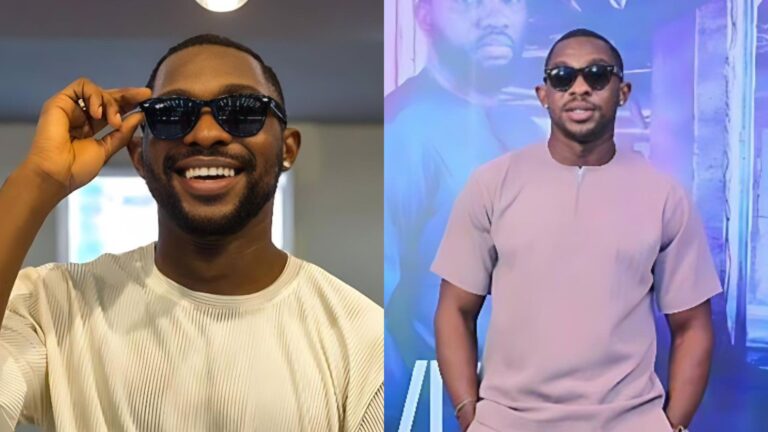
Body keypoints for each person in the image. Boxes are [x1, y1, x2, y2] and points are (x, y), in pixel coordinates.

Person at [0, 34, 383, 432]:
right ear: (139, 157)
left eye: (242, 111)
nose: (205, 134)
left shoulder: (365, 340)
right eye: (172, 113)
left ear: (287, 149)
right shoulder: (55, 308)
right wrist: (38, 179)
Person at [433, 28, 720, 432]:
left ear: (622, 91)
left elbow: (692, 325)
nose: (580, 88)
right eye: (563, 77)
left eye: (598, 75)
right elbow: (455, 309)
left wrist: (672, 427)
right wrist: (469, 415)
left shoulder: (665, 196)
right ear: (543, 93)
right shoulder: (491, 185)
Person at [384, 0, 546, 425]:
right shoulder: (404, 128)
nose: (494, 15)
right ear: (424, 15)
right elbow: (368, 313)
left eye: (510, 0)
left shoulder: (527, 131)